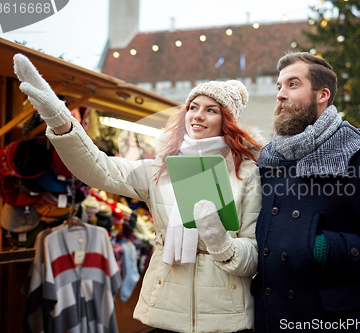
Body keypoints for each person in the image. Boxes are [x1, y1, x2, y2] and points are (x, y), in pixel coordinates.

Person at [13, 53, 264, 333]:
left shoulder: (249, 174)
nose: (198, 115)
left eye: (211, 110)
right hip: (166, 312)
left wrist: (222, 245)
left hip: (225, 317)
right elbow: (99, 169)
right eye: (193, 107)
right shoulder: (161, 169)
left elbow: (256, 254)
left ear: (227, 120)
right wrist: (59, 117)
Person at [253, 52, 360, 332]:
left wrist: (321, 247)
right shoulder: (270, 160)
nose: (280, 95)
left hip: (327, 321)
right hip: (269, 318)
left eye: (293, 84)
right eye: (279, 86)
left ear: (322, 94)